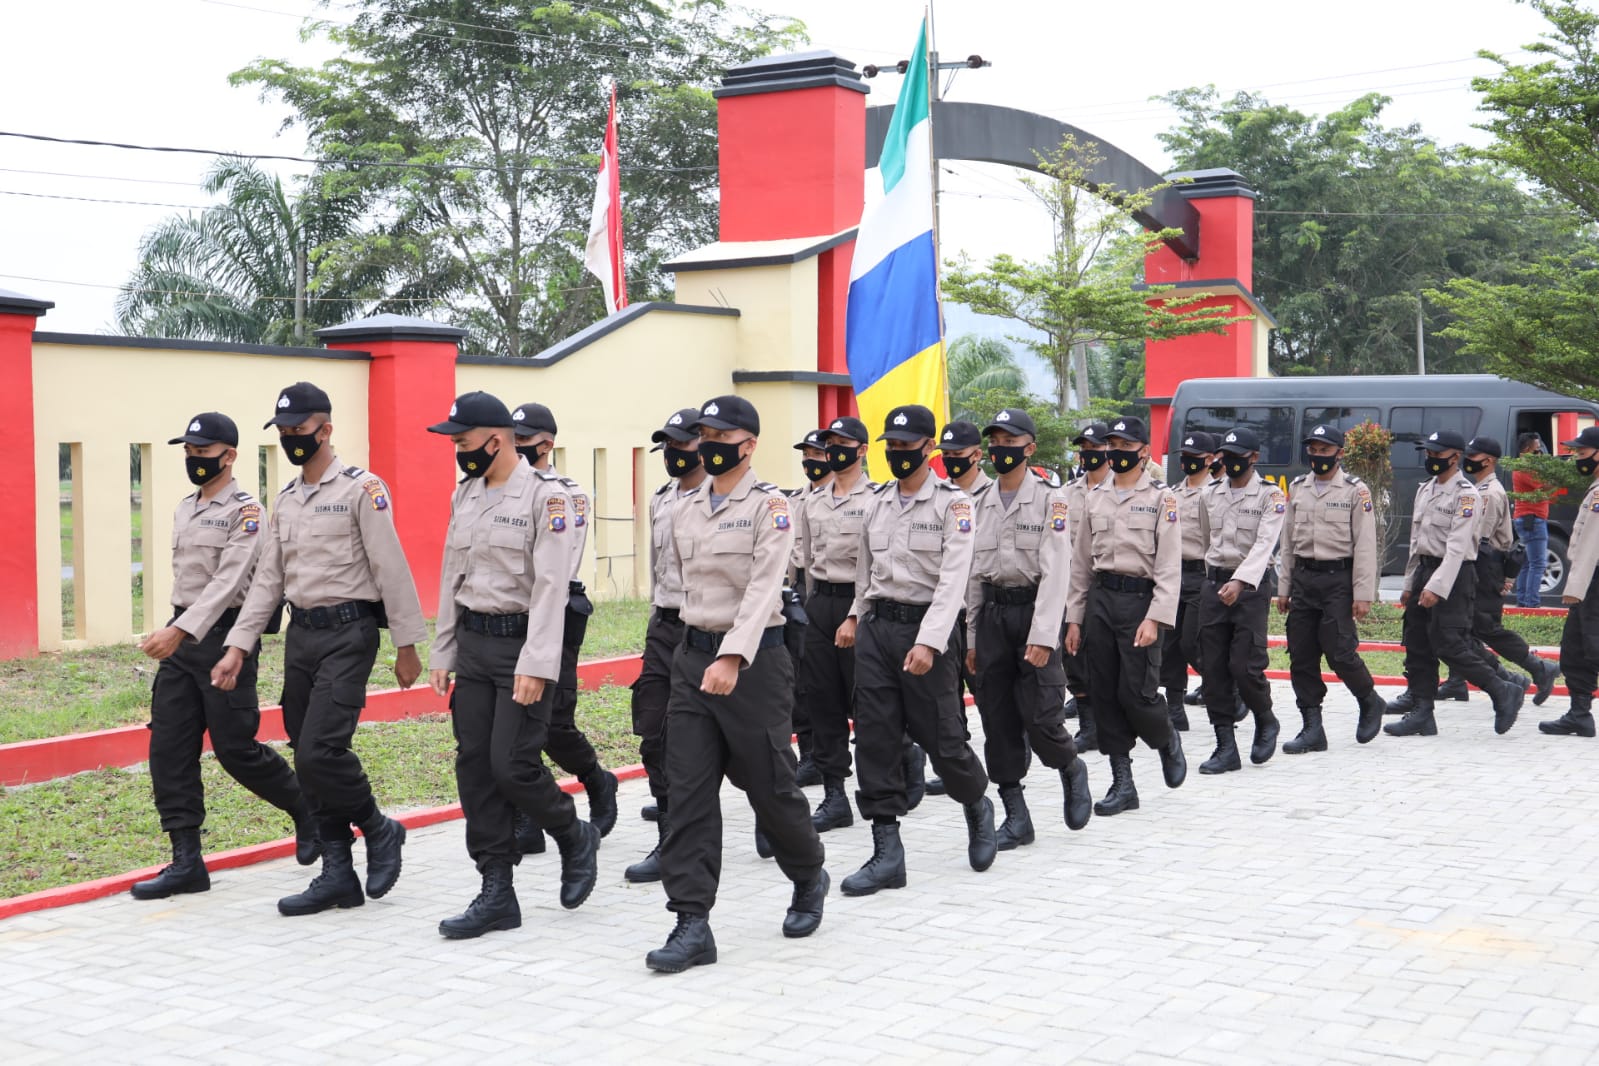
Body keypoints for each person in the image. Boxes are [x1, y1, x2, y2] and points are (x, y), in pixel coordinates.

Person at [212, 382, 426, 916]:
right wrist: (238, 645)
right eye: (283, 433)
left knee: (319, 750)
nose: (291, 440)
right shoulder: (284, 500)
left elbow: (390, 566)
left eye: (300, 431)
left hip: (350, 633)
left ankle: (379, 828)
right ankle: (338, 874)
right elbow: (268, 581)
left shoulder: (362, 489)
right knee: (304, 758)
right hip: (301, 636)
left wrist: (406, 644)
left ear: (325, 430)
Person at [646, 395, 828, 973]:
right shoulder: (682, 506)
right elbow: (677, 585)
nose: (709, 443)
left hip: (754, 665)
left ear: (748, 444)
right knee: (688, 790)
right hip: (691, 659)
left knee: (769, 786)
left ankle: (807, 872)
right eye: (703, 434)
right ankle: (691, 922)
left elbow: (764, 589)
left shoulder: (772, 507)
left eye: (720, 435)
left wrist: (731, 657)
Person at [425, 392, 601, 938]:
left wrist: (538, 663)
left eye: (463, 441)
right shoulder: (466, 495)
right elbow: (453, 574)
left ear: (495, 440)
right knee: (474, 766)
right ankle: (497, 889)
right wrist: (443, 649)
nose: (458, 450)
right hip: (475, 646)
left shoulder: (545, 498)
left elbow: (552, 586)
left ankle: (573, 834)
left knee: (513, 765)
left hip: (523, 645)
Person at [130, 412, 316, 901]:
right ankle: (186, 861)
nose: (194, 460)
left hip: (223, 639)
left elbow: (230, 581)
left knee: (236, 750)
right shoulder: (185, 507)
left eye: (203, 452)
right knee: (168, 749)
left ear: (229, 455)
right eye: (189, 453)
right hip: (182, 636)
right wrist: (176, 627)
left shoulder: (247, 512)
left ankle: (307, 809)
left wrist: (179, 630)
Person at [837, 404, 998, 896]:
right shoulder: (877, 502)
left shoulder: (955, 505)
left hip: (928, 631)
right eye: (892, 447)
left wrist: (929, 642)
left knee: (943, 740)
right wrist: (855, 616)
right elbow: (865, 571)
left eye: (907, 447)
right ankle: (887, 851)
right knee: (875, 739)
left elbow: (954, 580)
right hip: (878, 630)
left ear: (930, 448)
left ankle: (976, 803)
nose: (898, 455)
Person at [964, 408, 1093, 848]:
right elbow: (972, 576)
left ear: (1029, 447)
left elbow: (1058, 571)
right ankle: (1016, 816)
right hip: (993, 619)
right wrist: (971, 638)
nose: (1001, 448)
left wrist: (1043, 636)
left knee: (1041, 718)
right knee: (996, 721)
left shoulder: (1050, 500)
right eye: (995, 440)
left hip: (1033, 613)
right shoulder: (977, 502)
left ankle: (1071, 767)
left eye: (1010, 440)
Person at [1063, 416, 1187, 815]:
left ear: (1143, 451)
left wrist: (1156, 617)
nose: (1115, 452)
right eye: (1111, 445)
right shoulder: (1094, 497)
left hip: (1139, 602)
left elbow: (1169, 566)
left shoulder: (1161, 499)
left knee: (1136, 693)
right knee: (1104, 693)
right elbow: (1081, 563)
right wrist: (1075, 618)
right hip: (1101, 598)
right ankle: (1123, 782)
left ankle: (1165, 736)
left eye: (1124, 445)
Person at [510, 402, 619, 846]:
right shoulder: (497, 490)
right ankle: (528, 817)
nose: (514, 450)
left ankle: (596, 778)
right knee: (513, 723)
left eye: (522, 442)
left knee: (552, 722)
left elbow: (554, 564)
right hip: (508, 616)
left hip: (555, 610)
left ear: (546, 443)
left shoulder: (565, 494)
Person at [1385, 430, 1528, 739]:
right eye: (1429, 454)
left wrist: (1437, 586)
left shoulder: (1467, 495)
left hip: (1454, 575)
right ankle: (1422, 712)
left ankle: (1502, 690)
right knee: (1418, 644)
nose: (1431, 459)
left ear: (1455, 457)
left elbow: (1458, 546)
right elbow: (1416, 542)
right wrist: (1411, 582)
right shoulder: (1426, 490)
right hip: (1425, 570)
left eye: (1437, 454)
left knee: (1450, 643)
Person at [624, 408, 707, 883]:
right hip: (667, 624)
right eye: (668, 446)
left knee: (740, 743)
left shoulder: (727, 501)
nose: (674, 454)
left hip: (713, 630)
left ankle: (773, 815)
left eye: (682, 444)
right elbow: (658, 569)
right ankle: (671, 836)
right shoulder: (661, 500)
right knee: (654, 726)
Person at [1275, 424, 1387, 753]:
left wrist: (1363, 593)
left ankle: (1369, 700)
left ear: (1339, 453)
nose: (1318, 456)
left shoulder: (1356, 490)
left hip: (1338, 580)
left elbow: (1366, 545)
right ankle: (1312, 727)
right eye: (1314, 449)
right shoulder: (1298, 487)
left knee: (1340, 651)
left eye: (1325, 450)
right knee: (1301, 655)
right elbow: (1288, 540)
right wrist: (1284, 586)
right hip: (1305, 579)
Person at [796, 415, 875, 834]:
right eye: (830, 443)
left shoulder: (876, 499)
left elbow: (875, 565)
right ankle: (834, 795)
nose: (834, 450)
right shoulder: (812, 500)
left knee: (865, 701)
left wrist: (855, 615)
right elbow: (808, 562)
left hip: (858, 606)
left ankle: (884, 781)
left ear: (861, 450)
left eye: (843, 443)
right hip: (820, 604)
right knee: (822, 701)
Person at [1438, 437, 1560, 702]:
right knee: (1463, 627)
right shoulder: (1478, 488)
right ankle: (1458, 681)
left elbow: (1477, 537)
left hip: (1485, 565)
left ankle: (1536, 669)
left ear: (1489, 460)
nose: (1468, 460)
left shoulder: (1489, 493)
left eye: (1474, 456)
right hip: (1480, 564)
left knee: (1485, 628)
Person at [1196, 428, 1286, 772]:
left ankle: (1265, 718)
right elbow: (1208, 538)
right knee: (1213, 669)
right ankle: (1225, 747)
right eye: (1226, 455)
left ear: (1253, 458)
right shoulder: (1211, 494)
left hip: (1249, 590)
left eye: (1237, 455)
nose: (1230, 461)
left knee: (1244, 667)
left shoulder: (1271, 496)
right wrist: (1218, 575)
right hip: (1214, 587)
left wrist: (1239, 580)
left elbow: (1266, 545)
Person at [924, 419, 993, 797]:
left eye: (958, 456)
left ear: (977, 455)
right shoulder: (939, 496)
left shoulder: (994, 495)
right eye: (945, 456)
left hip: (982, 607)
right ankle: (959, 759)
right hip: (947, 609)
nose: (951, 462)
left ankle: (1000, 751)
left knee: (985, 689)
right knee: (947, 693)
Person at [1541, 425, 1599, 738]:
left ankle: (1580, 713)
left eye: (1582, 451)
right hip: (1589, 581)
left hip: (1593, 581)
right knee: (1576, 649)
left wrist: (1574, 589)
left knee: (1592, 645)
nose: (1577, 457)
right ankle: (1579, 714)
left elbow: (1591, 544)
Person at [1160, 431, 1220, 731]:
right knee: (1169, 645)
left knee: (1192, 642)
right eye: (1184, 456)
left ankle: (1225, 690)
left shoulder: (1217, 493)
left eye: (1194, 457)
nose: (1187, 462)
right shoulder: (1172, 494)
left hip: (1203, 575)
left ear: (1209, 460)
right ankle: (1174, 708)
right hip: (1173, 574)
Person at [788, 428, 833, 788]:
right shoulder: (791, 501)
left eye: (817, 455)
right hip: (801, 593)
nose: (810, 462)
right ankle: (810, 755)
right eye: (806, 456)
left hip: (838, 595)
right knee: (802, 681)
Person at [1062, 422, 1111, 750]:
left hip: (1110, 587)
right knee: (1073, 656)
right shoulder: (1066, 494)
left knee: (1107, 659)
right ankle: (1089, 725)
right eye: (1084, 448)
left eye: (1094, 448)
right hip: (1073, 586)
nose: (1087, 454)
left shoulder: (1121, 489)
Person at [1512, 431, 1551, 607]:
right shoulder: (1526, 468)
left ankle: (1523, 601)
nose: (1540, 452)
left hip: (1527, 517)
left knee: (1527, 563)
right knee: (1538, 564)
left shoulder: (1522, 466)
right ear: (1527, 449)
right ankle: (1532, 603)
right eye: (1537, 449)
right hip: (1533, 518)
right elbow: (1546, 486)